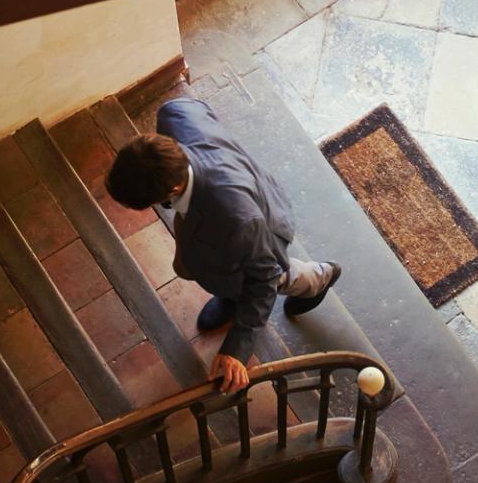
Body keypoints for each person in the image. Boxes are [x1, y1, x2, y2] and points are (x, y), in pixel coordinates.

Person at [105, 98, 340, 395]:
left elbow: (264, 277)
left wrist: (236, 350)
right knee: (194, 265)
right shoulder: (175, 114)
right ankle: (231, 296)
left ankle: (320, 276)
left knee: (275, 275)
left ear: (173, 189)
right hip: (229, 203)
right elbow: (198, 110)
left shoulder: (236, 218)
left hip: (260, 226)